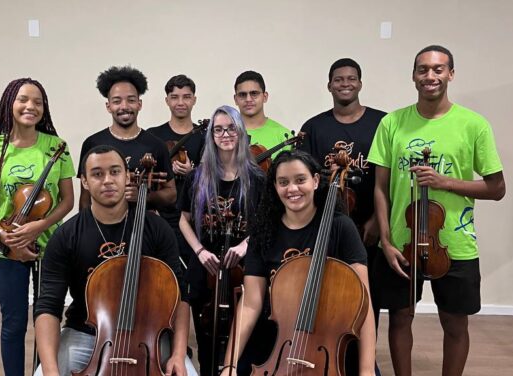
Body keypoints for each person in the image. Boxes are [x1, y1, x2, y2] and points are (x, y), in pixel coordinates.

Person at [368, 45, 506, 376]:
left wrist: (444, 181)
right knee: (400, 317)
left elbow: (496, 188)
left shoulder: (474, 125)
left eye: (438, 69)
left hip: (455, 242)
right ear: (414, 76)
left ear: (451, 74)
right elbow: (380, 188)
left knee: (454, 322)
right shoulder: (392, 123)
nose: (430, 76)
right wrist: (385, 241)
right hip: (402, 242)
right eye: (423, 70)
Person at [33, 145, 196, 376]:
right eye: (97, 174)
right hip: (85, 334)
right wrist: (50, 370)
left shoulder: (157, 229)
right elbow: (48, 306)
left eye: (115, 172)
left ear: (127, 177)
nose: (107, 180)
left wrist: (179, 354)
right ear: (85, 182)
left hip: (150, 335)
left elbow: (180, 296)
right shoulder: (66, 236)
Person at [221, 150, 376, 376]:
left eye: (300, 180)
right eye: (283, 182)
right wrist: (230, 365)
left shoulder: (341, 228)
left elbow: (364, 305)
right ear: (274, 187)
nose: (292, 189)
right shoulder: (263, 232)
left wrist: (367, 370)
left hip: (331, 337)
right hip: (277, 338)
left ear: (315, 181)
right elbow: (251, 304)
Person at [0, 78, 75, 376]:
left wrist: (39, 225)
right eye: (24, 99)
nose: (31, 106)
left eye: (38, 102)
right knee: (13, 322)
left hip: (49, 248)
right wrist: (5, 235)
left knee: (48, 319)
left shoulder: (56, 147)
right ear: (9, 103)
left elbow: (67, 201)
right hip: (6, 250)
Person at [298, 59, 386, 375]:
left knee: (365, 296)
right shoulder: (315, 126)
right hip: (327, 225)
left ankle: (364, 358)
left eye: (351, 78)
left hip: (368, 227)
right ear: (329, 85)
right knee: (327, 295)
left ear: (360, 83)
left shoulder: (381, 123)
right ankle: (330, 351)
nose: (344, 84)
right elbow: (306, 179)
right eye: (338, 79)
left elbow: (388, 180)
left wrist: (378, 220)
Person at [178, 105, 265, 375]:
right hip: (206, 267)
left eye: (230, 128)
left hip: (243, 268)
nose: (225, 134)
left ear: (240, 132)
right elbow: (183, 219)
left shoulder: (257, 178)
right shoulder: (197, 177)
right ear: (211, 135)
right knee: (207, 341)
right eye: (218, 129)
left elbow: (266, 223)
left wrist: (244, 245)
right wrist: (199, 250)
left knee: (244, 340)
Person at [78, 65, 176, 210]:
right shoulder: (92, 143)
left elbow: (171, 194)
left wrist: (143, 197)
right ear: (108, 106)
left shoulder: (156, 145)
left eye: (131, 100)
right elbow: (85, 198)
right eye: (117, 101)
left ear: (139, 104)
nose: (124, 106)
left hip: (143, 226)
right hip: (103, 226)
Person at [148, 74, 205, 266]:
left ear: (194, 100)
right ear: (167, 100)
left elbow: (214, 176)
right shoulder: (153, 136)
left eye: (186, 97)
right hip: (161, 215)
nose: (180, 102)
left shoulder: (205, 136)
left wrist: (193, 172)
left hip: (195, 217)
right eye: (174, 97)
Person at [233, 71, 291, 159]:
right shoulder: (223, 134)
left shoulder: (284, 135)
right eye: (242, 94)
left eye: (254, 93)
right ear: (236, 99)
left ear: (265, 97)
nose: (248, 99)